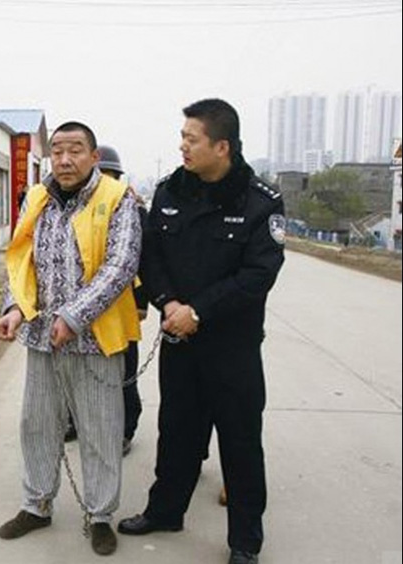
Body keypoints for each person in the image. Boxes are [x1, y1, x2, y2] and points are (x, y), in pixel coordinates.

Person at [116, 99, 285, 564]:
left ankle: (245, 541)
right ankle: (165, 511)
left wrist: (200, 311)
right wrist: (169, 303)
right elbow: (151, 256)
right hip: (180, 340)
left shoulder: (260, 201)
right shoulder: (171, 191)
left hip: (233, 349)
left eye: (192, 139)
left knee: (240, 442)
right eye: (182, 137)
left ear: (222, 146)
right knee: (177, 432)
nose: (183, 146)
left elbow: (258, 275)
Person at [0, 121, 141, 556]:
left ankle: (101, 515)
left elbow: (120, 266)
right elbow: (22, 261)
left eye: (75, 150)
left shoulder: (118, 199)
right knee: (36, 425)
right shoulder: (37, 198)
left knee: (100, 430)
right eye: (57, 151)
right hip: (41, 339)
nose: (65, 159)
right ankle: (36, 505)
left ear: (94, 156)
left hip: (95, 340)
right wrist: (15, 309)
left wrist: (74, 317)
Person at [63, 145, 149, 458]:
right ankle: (75, 421)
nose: (105, 183)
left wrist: (141, 303)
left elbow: (143, 259)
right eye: (101, 176)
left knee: (123, 372)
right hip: (82, 306)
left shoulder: (132, 209)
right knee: (76, 370)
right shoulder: (76, 207)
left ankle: (124, 429)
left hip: (121, 307)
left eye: (111, 176)